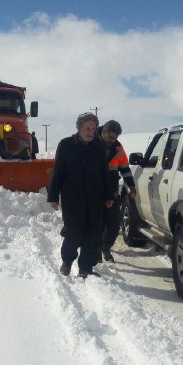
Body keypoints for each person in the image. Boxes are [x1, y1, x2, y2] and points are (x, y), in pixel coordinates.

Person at [48, 113, 114, 278]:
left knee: (93, 233)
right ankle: (67, 261)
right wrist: (53, 195)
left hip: (94, 198)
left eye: (93, 129)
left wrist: (108, 195)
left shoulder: (98, 147)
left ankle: (86, 268)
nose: (90, 132)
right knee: (73, 232)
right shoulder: (66, 145)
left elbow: (104, 173)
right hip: (72, 198)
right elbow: (58, 172)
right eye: (87, 128)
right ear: (79, 128)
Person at [97, 120, 137, 262]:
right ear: (103, 132)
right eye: (111, 137)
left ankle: (105, 246)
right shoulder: (91, 143)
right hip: (95, 190)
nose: (114, 140)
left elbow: (124, 168)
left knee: (114, 224)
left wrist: (131, 186)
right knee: (97, 223)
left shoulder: (118, 148)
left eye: (116, 138)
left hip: (112, 189)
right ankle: (95, 250)